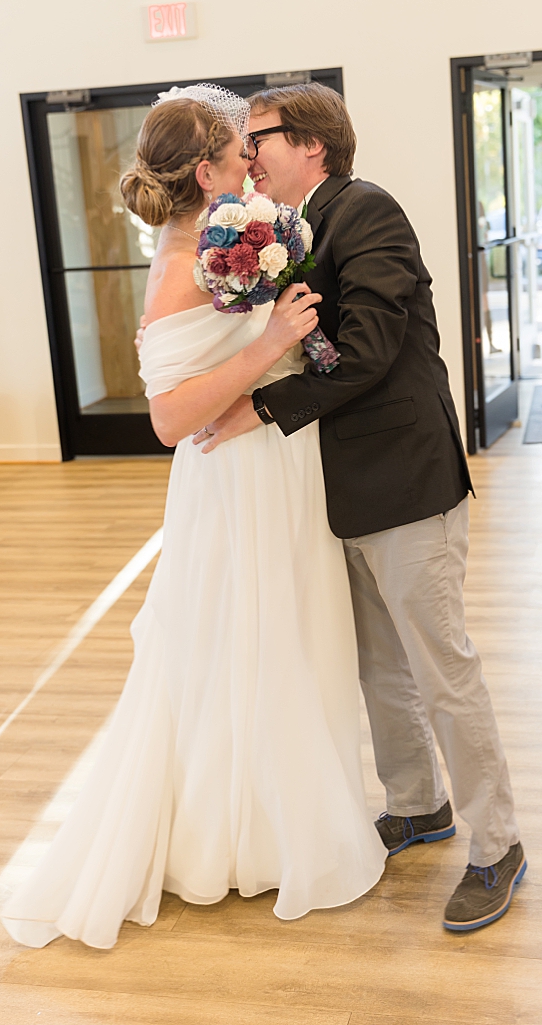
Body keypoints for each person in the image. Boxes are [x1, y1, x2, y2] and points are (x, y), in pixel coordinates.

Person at [0, 86, 387, 951]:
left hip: (281, 464)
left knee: (287, 636)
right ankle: (237, 838)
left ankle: (280, 819)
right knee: (244, 642)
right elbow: (172, 421)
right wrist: (269, 343)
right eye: (239, 151)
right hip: (233, 479)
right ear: (207, 169)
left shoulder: (231, 237)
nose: (255, 161)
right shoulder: (181, 268)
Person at [196, 82, 524, 932]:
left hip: (405, 477)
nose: (249, 152)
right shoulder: (291, 228)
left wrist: (261, 406)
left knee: (440, 667)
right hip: (338, 486)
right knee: (379, 663)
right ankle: (418, 804)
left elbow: (371, 349)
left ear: (314, 145)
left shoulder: (366, 210)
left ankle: (499, 842)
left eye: (258, 135)